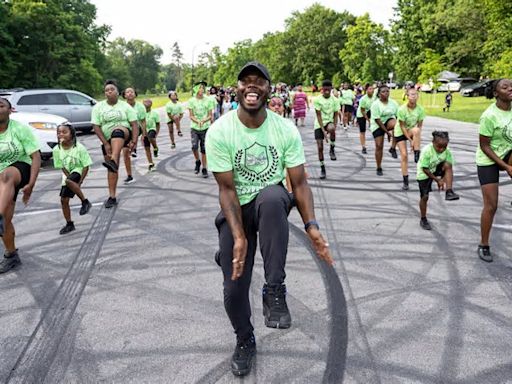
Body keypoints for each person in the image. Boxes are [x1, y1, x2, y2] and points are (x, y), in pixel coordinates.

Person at [205, 61, 333, 377]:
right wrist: (238, 238)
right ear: (236, 88)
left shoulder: (284, 129)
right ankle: (245, 339)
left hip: (270, 207)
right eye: (245, 81)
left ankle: (274, 289)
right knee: (233, 290)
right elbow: (226, 190)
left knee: (275, 196)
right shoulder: (220, 130)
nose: (252, 86)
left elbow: (299, 184)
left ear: (269, 89)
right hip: (236, 210)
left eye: (259, 81)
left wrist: (312, 226)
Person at [0, 97, 41, 274]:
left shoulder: (20, 129)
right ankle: (11, 255)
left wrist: (31, 184)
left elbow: (36, 157)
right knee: (6, 219)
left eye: (1, 106)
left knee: (7, 174)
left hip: (19, 168)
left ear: (10, 110)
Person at [476, 78, 512, 262]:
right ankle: (484, 244)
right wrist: (506, 167)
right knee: (491, 206)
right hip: (488, 158)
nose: (510, 89)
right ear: (496, 93)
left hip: (507, 152)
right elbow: (484, 146)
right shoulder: (489, 115)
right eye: (505, 87)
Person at [92, 80, 138, 208]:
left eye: (112, 89)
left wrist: (134, 141)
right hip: (108, 140)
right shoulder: (98, 107)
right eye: (106, 90)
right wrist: (105, 144)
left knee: (117, 130)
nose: (109, 91)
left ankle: (113, 159)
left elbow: (134, 124)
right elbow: (96, 126)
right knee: (112, 168)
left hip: (124, 133)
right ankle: (112, 196)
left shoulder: (125, 106)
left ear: (118, 92)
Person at [53, 123, 93, 234]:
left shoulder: (79, 148)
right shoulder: (57, 149)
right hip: (68, 174)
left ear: (72, 134)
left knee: (69, 180)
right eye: (58, 132)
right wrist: (68, 176)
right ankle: (69, 224)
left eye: (64, 132)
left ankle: (85, 202)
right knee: (63, 200)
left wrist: (80, 181)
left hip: (78, 170)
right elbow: (61, 166)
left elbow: (86, 166)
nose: (61, 134)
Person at [417, 131, 460, 230]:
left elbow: (449, 167)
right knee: (425, 197)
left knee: (448, 165)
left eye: (444, 147)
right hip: (425, 172)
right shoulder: (427, 151)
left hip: (436, 168)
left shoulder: (447, 151)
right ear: (433, 142)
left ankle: (449, 192)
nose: (441, 149)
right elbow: (425, 169)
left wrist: (443, 180)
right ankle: (423, 219)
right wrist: (437, 180)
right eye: (439, 147)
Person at [396, 88, 425, 190]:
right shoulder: (402, 109)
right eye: (411, 94)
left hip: (411, 130)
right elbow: (402, 126)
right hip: (400, 132)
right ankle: (405, 180)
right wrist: (410, 140)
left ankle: (417, 152)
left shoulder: (420, 109)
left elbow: (419, 126)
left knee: (417, 130)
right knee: (404, 155)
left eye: (415, 94)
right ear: (407, 96)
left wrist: (415, 141)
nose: (414, 96)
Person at [370, 85, 399, 175]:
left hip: (389, 121)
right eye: (383, 91)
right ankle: (379, 167)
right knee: (379, 146)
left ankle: (393, 148)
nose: (386, 93)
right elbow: (377, 120)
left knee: (397, 125)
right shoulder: (375, 104)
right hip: (377, 125)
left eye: (387, 91)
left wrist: (397, 132)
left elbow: (399, 117)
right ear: (379, 94)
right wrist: (387, 133)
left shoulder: (393, 103)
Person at [188, 81, 214, 178]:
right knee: (194, 146)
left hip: (205, 127)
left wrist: (203, 120)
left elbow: (210, 115)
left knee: (204, 149)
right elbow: (191, 115)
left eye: (203, 88)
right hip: (194, 127)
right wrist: (197, 121)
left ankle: (204, 168)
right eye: (200, 88)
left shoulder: (208, 100)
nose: (201, 90)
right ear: (196, 89)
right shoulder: (191, 101)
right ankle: (197, 161)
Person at [313, 80, 338, 179]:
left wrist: (333, 129)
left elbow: (336, 116)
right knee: (320, 147)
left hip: (329, 122)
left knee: (332, 127)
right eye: (325, 89)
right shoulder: (317, 100)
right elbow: (318, 116)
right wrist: (323, 132)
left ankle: (332, 148)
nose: (327, 91)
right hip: (319, 124)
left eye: (329, 89)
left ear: (331, 89)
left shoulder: (335, 100)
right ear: (322, 90)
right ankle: (322, 168)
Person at [122, 87, 146, 184]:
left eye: (132, 92)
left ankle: (134, 146)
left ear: (135, 94)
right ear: (124, 95)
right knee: (125, 153)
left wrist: (144, 134)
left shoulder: (140, 107)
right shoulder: (122, 106)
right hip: (125, 130)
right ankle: (129, 175)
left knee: (134, 130)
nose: (130, 93)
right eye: (127, 92)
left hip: (137, 128)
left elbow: (143, 121)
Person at [356, 85, 376, 154]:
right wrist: (369, 121)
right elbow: (362, 111)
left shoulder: (375, 98)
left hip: (369, 112)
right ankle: (363, 147)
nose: (372, 90)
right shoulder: (363, 99)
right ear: (366, 90)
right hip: (361, 114)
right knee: (362, 131)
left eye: (372, 89)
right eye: (370, 89)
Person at [143, 99, 160, 172]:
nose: (147, 103)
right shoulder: (141, 114)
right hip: (144, 131)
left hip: (152, 129)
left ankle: (155, 147)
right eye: (145, 102)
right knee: (147, 147)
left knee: (151, 137)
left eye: (148, 102)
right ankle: (150, 163)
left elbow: (158, 124)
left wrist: (157, 132)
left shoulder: (155, 113)